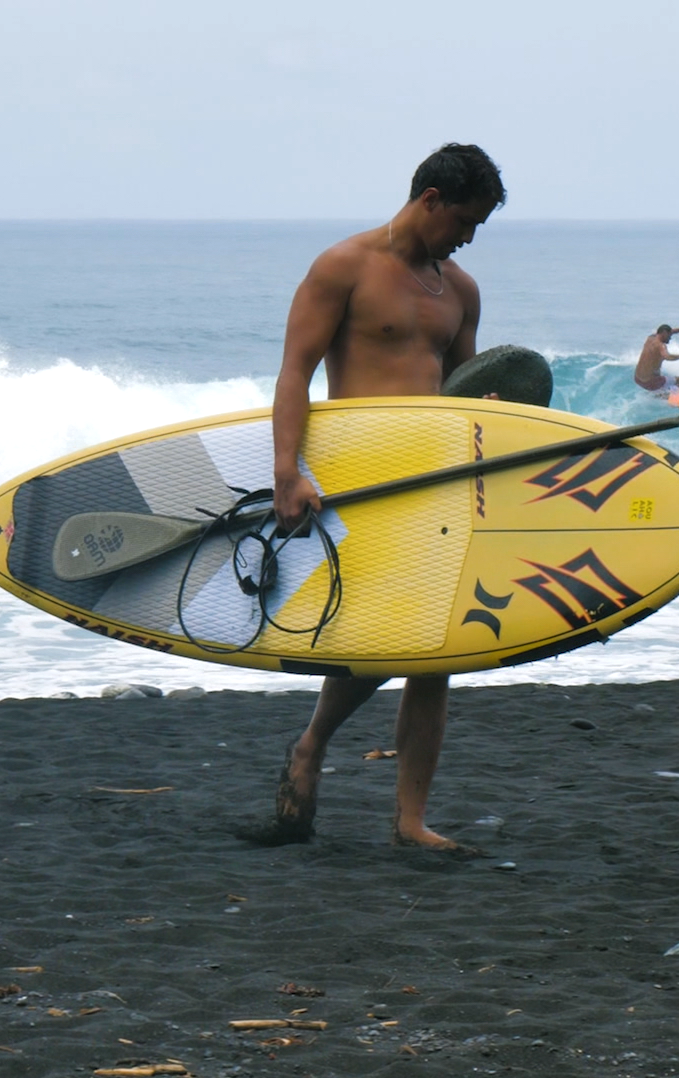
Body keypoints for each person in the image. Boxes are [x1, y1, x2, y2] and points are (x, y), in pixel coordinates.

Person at [263, 142, 506, 854]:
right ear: (429, 199)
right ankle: (310, 745)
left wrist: (490, 410)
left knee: (437, 652)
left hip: (438, 478)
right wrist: (287, 473)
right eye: (463, 220)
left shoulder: (460, 290)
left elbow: (466, 389)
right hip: (363, 476)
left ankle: (409, 820)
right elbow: (293, 374)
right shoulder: (343, 268)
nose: (467, 236)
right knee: (380, 641)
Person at [633, 322, 679, 393]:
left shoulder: (650, 338)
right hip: (650, 383)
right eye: (669, 335)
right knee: (678, 380)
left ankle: (660, 395)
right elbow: (667, 357)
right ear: (664, 333)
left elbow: (673, 331)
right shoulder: (661, 346)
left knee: (659, 377)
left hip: (637, 379)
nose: (670, 338)